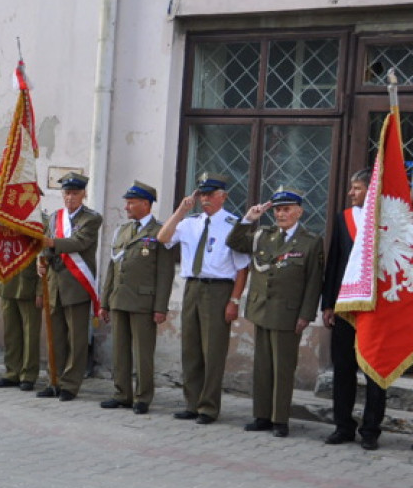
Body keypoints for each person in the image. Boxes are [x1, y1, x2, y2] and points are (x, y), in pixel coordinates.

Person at [227, 187, 324, 438]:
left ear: (299, 212)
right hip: (262, 310)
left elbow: (314, 282)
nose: (281, 214)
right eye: (278, 210)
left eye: (287, 209)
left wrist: (306, 315)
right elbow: (234, 242)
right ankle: (262, 416)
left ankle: (280, 419)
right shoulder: (262, 235)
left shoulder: (310, 242)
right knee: (262, 367)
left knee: (283, 369)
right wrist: (249, 218)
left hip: (288, 314)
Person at [157, 172, 249, 425]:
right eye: (202, 195)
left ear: (223, 196)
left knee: (213, 350)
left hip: (219, 289)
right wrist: (180, 211)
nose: (205, 199)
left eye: (210, 195)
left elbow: (242, 268)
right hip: (193, 288)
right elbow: (163, 238)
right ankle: (192, 403)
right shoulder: (189, 222)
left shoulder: (233, 224)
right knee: (191, 349)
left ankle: (208, 407)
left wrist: (234, 301)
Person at [321, 170, 386, 449]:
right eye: (351, 188)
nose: (351, 193)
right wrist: (328, 304)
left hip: (377, 310)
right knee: (343, 369)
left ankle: (371, 430)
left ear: (371, 191)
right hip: (345, 307)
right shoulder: (343, 218)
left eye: (357, 188)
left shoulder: (390, 222)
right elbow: (334, 262)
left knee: (375, 371)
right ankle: (343, 425)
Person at [98, 180, 176, 414]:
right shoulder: (122, 231)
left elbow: (165, 273)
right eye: (127, 202)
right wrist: (104, 302)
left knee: (143, 353)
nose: (127, 207)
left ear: (145, 204)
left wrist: (160, 307)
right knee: (119, 350)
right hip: (119, 299)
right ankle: (122, 393)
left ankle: (143, 397)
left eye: (131, 203)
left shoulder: (159, 232)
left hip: (144, 302)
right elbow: (112, 267)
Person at [36, 172, 103, 401]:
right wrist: (40, 261)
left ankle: (70, 384)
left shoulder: (91, 219)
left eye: (75, 193)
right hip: (54, 284)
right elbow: (44, 244)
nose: (70, 197)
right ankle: (53, 380)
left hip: (76, 285)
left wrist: (52, 243)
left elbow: (79, 242)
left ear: (83, 194)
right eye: (66, 193)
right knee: (55, 337)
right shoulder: (55, 217)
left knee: (76, 339)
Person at [0, 263, 42, 391]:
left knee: (30, 334)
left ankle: (28, 375)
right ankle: (12, 372)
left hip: (28, 285)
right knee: (11, 333)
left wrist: (40, 291)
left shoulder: (37, 241)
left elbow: (42, 260)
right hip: (6, 284)